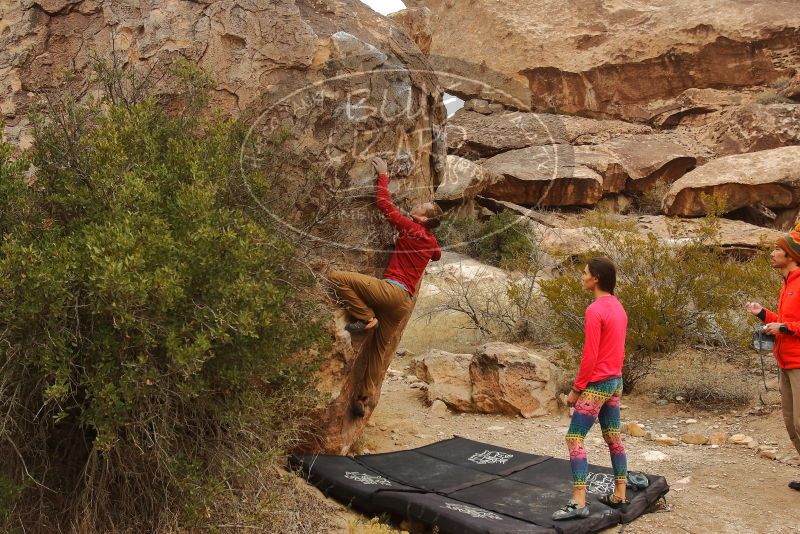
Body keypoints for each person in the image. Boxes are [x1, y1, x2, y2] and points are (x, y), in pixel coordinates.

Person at [328, 156, 442, 418]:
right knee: (377, 353)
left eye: (422, 206)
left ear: (422, 219)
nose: (417, 203)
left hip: (391, 291)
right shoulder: (430, 240)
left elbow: (385, 206)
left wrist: (384, 175)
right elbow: (436, 255)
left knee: (337, 277)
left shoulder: (413, 228)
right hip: (403, 303)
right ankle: (362, 397)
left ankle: (366, 317)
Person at [553, 258, 629, 521]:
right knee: (613, 438)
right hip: (615, 380)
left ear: (595, 278)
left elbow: (590, 356)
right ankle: (620, 493)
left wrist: (577, 389)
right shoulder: (618, 307)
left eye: (584, 273)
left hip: (598, 384)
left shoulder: (595, 309)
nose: (581, 276)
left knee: (574, 438)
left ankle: (579, 500)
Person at [746, 224, 800, 492]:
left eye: (777, 249)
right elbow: (786, 321)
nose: (771, 253)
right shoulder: (787, 284)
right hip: (785, 361)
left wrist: (786, 328)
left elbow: (791, 325)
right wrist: (764, 315)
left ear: (790, 255)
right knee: (791, 423)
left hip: (799, 363)